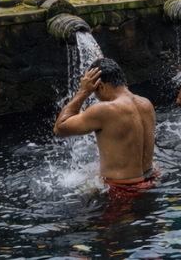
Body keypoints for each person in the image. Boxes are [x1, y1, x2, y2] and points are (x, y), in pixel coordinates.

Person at [54, 58, 157, 196]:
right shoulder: (146, 104)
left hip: (123, 190)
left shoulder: (104, 110)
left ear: (101, 86)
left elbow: (60, 128)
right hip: (152, 180)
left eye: (95, 92)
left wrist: (83, 92)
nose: (97, 97)